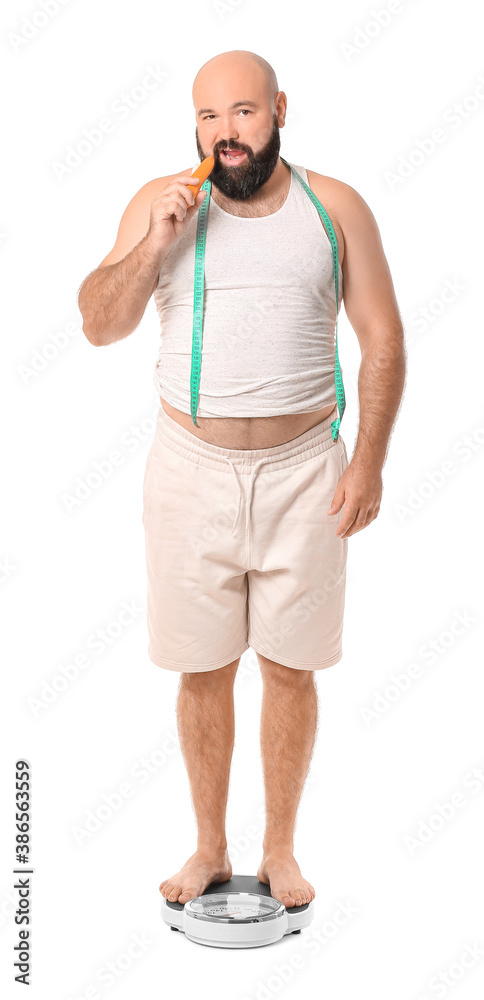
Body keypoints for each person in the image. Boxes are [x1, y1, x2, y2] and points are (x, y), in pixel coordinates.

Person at [78, 49, 406, 911]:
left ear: (279, 111)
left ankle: (282, 850)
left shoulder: (334, 208)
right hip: (189, 473)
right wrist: (155, 243)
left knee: (292, 670)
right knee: (203, 669)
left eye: (244, 112)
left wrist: (368, 459)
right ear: (195, 125)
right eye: (209, 116)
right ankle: (209, 847)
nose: (226, 132)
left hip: (308, 474)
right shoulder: (164, 205)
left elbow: (384, 337)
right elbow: (97, 324)